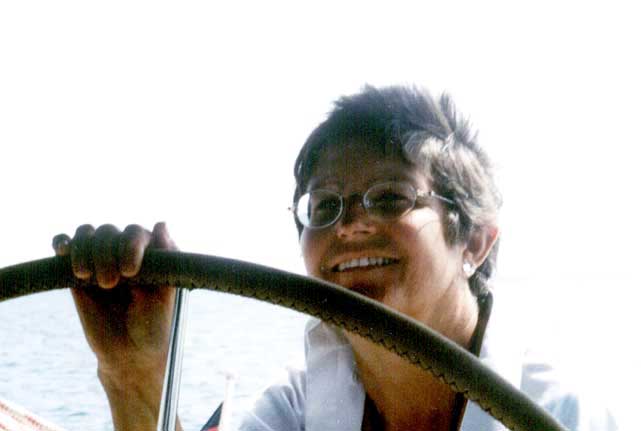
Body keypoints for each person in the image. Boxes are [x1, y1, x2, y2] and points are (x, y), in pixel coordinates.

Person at [52, 85, 616, 431]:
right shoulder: (300, 407)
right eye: (324, 206)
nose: (347, 225)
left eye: (390, 198)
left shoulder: (568, 418)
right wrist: (134, 375)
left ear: (475, 242)